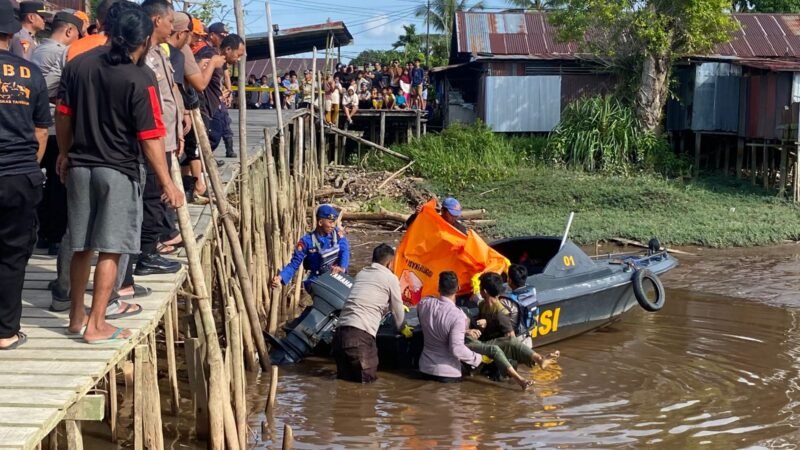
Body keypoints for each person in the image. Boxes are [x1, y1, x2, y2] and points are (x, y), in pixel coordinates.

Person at [55, 6, 184, 343]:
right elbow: (151, 137)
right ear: (142, 39)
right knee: (110, 248)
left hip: (81, 165)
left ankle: (75, 316)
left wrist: (65, 153)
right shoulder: (140, 77)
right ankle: (96, 324)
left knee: (81, 245)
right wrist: (168, 182)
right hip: (119, 170)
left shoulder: (78, 65)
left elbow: (63, 115)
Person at [0, 0, 50, 350]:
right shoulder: (30, 72)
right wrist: (32, 164)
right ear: (12, 31)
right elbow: (41, 131)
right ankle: (5, 332)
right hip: (20, 172)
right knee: (14, 253)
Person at [135, 0, 183, 276]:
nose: (172, 26)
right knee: (152, 194)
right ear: (156, 20)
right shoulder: (144, 54)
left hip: (165, 135)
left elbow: (168, 95)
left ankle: (149, 248)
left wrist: (179, 127)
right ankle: (146, 254)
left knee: (157, 195)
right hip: (153, 136)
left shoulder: (161, 52)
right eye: (169, 20)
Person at [465, 272, 557, 390]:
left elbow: (511, 339)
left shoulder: (501, 313)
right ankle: (537, 361)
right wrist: (483, 325)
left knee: (509, 341)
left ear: (485, 292)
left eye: (481, 289)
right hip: (488, 344)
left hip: (497, 348)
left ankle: (538, 360)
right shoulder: (483, 305)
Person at [333, 244, 406, 383]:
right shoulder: (391, 278)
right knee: (366, 387)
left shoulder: (362, 273)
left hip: (339, 334)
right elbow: (398, 311)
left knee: (344, 385)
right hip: (360, 336)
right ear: (390, 263)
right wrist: (403, 328)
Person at [417, 272, 482, 382]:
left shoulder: (424, 304)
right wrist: (478, 358)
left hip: (425, 369)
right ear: (458, 288)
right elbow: (457, 349)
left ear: (438, 288)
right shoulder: (458, 316)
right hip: (448, 374)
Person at [271, 204, 349, 291]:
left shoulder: (337, 234)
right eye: (330, 222)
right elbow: (294, 264)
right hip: (317, 279)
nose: (333, 225)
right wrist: (281, 277)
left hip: (336, 274)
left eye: (334, 222)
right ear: (320, 222)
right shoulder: (306, 241)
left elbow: (344, 250)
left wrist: (342, 267)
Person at [195, 22, 237, 158]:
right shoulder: (206, 52)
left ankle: (208, 159)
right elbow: (199, 77)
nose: (224, 39)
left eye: (226, 36)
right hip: (205, 101)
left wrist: (228, 90)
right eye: (221, 36)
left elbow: (224, 74)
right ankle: (202, 162)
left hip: (217, 98)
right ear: (212, 35)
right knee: (212, 134)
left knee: (223, 127)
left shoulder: (217, 54)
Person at [31, 11, 83, 100]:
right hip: (46, 107)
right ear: (69, 31)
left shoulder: (37, 48)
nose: (78, 39)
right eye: (78, 35)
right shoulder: (62, 52)